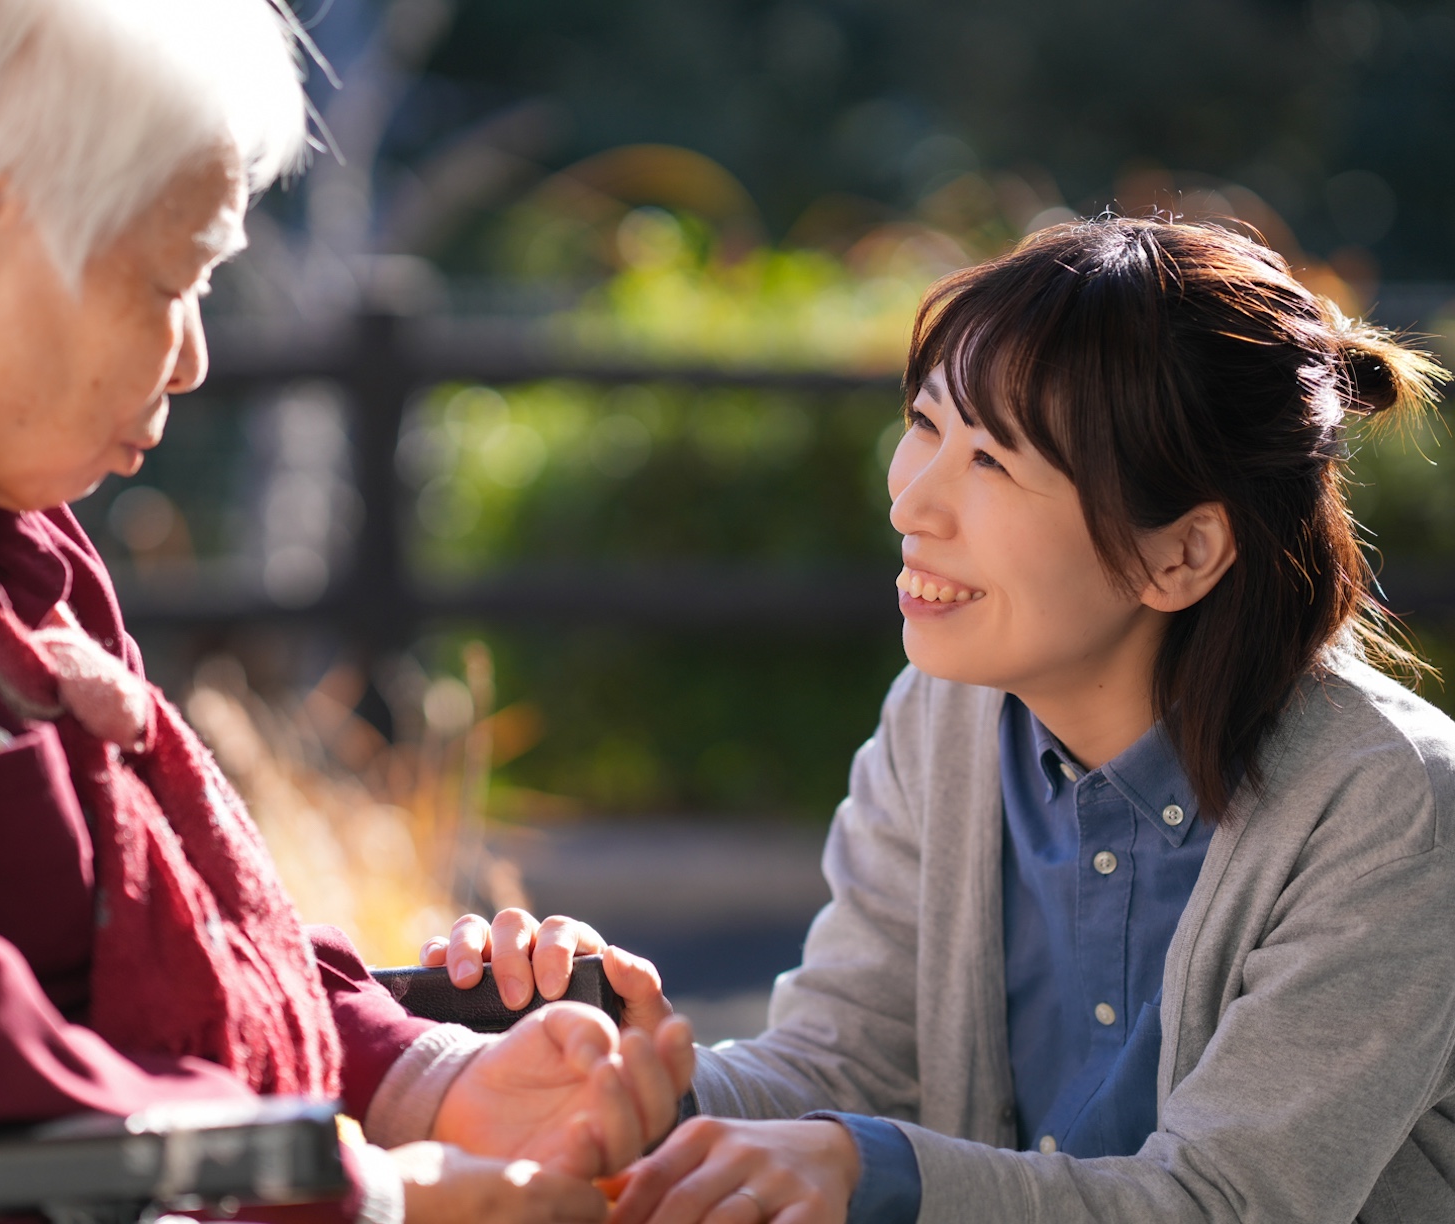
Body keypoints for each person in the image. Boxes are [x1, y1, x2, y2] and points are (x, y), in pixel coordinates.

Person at [0, 2, 693, 1222]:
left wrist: (421, 1077)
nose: (194, 355)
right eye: (173, 280)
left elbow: (175, 933)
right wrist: (372, 1194)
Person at [426, 217, 1455, 1222]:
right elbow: (848, 1065)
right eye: (924, 425)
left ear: (1180, 555)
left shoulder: (1390, 805)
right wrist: (630, 1082)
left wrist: (870, 1171)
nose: (912, 501)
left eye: (993, 463)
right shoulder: (946, 715)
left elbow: (1230, 1201)